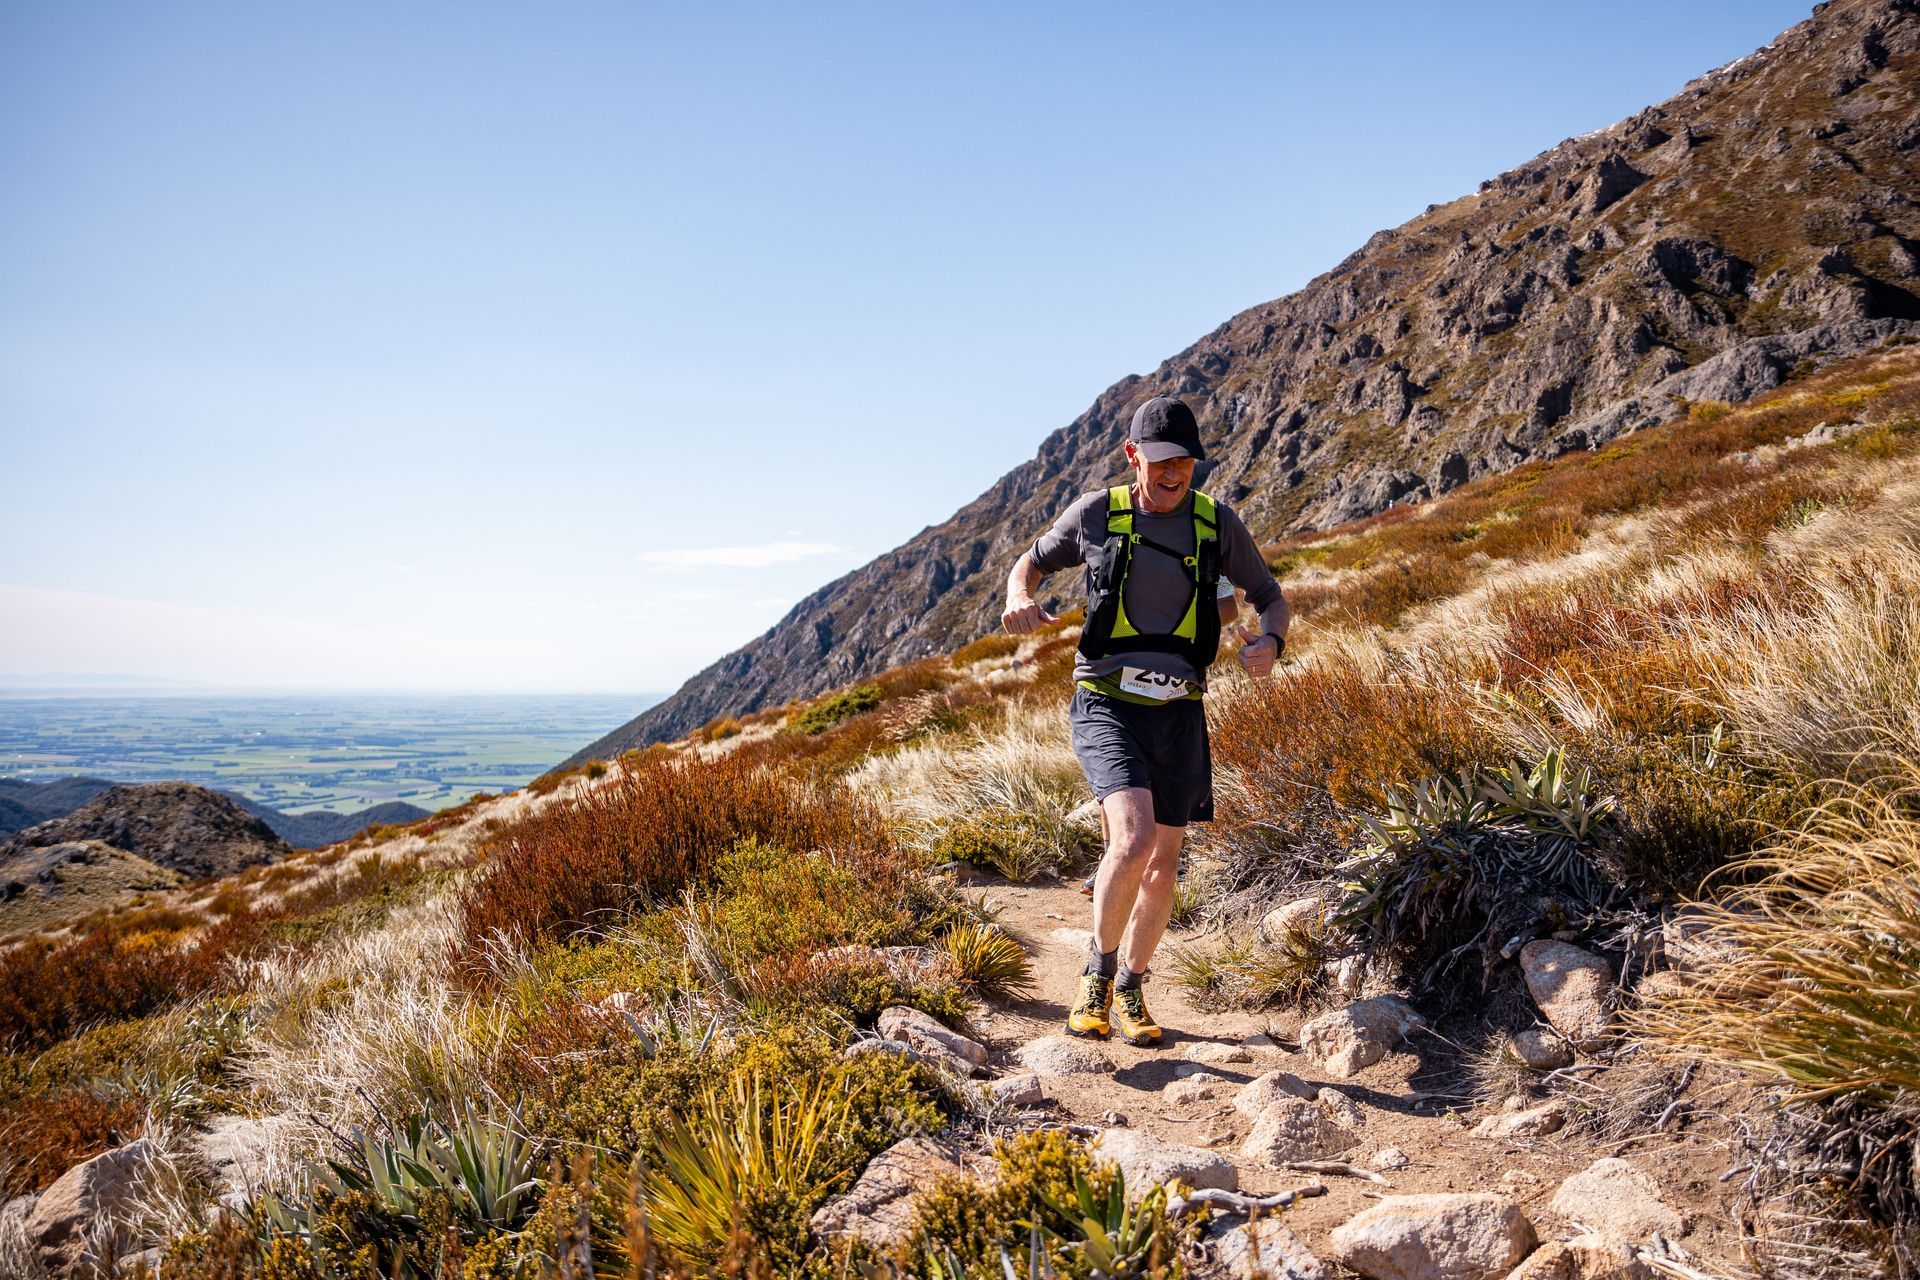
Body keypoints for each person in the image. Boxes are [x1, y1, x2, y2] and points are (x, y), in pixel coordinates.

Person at [1002, 396, 1290, 1047]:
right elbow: (1033, 560)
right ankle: (1097, 977)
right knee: (1131, 840)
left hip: (1180, 709)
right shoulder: (1096, 513)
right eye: (1160, 461)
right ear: (1133, 455)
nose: (1173, 474)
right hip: (1106, 700)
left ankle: (1133, 985)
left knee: (1163, 865)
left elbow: (1269, 596)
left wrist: (1271, 641)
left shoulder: (1216, 523)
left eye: (1184, 462)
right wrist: (1020, 595)